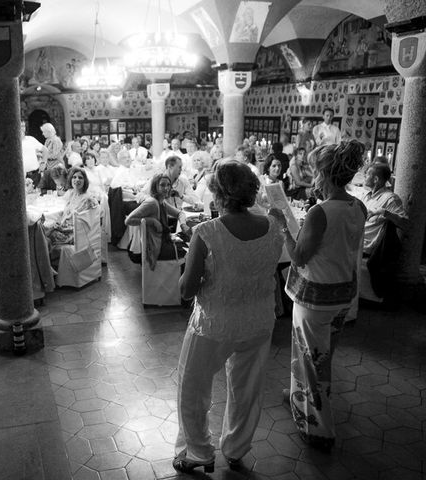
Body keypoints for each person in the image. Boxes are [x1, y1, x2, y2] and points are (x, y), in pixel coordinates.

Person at [173, 160, 283, 474]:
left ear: (218, 194)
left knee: (192, 387)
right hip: (259, 321)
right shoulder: (273, 226)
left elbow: (186, 290)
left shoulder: (207, 232)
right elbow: (268, 271)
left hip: (215, 324)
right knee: (248, 388)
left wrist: (187, 264)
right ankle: (236, 449)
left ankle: (198, 452)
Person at [270, 140, 367, 452]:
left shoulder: (320, 211)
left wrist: (284, 226)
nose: (312, 178)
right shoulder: (358, 206)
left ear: (325, 175)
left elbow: (298, 258)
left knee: (313, 361)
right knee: (318, 354)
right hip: (342, 293)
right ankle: (298, 398)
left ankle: (321, 430)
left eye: (315, 172)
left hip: (316, 298)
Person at [125, 174, 190, 270]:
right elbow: (128, 220)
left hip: (160, 242)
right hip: (155, 248)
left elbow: (180, 214)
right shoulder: (151, 203)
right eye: (162, 185)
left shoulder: (161, 201)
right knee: (190, 251)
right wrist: (151, 221)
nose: (166, 188)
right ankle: (182, 282)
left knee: (188, 243)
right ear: (155, 186)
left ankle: (181, 280)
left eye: (168, 185)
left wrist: (183, 224)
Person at [362, 162, 408, 255]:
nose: (364, 177)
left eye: (367, 175)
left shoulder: (390, 199)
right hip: (355, 240)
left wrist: (383, 212)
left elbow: (405, 224)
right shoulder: (366, 195)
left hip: (364, 246)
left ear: (375, 179)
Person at [45, 167, 98, 247]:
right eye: (74, 177)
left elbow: (85, 225)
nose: (77, 180)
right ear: (70, 179)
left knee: (44, 239)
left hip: (75, 234)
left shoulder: (88, 199)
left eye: (80, 177)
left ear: (85, 181)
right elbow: (66, 215)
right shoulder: (72, 194)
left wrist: (59, 228)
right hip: (64, 229)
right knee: (42, 232)